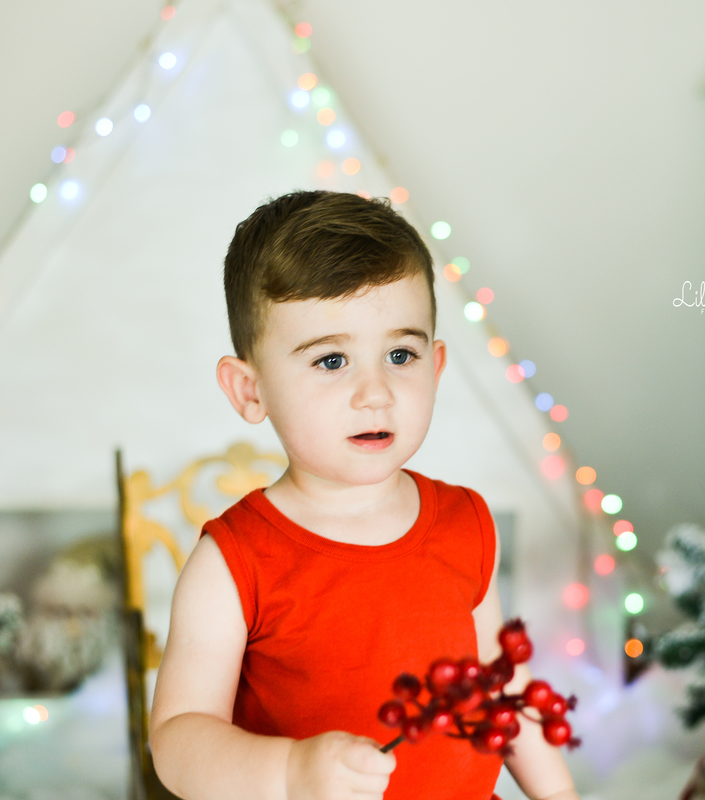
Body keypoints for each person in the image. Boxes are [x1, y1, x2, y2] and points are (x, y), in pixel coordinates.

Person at [148, 191, 581, 800]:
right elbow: (177, 738)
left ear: (435, 367)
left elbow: (500, 691)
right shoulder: (234, 560)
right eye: (331, 361)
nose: (375, 392)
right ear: (250, 390)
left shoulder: (465, 523)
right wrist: (290, 771)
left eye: (400, 355)